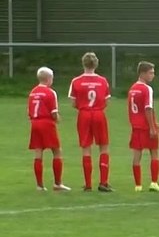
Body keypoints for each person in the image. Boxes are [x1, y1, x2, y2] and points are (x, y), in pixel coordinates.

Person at [68, 51, 112, 192]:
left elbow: (73, 102)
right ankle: (103, 182)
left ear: (83, 64)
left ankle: (88, 184)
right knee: (103, 146)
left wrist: (84, 107)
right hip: (99, 114)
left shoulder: (76, 81)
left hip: (84, 114)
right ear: (96, 64)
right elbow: (107, 101)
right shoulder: (102, 80)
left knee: (86, 148)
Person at [28, 66, 70, 192]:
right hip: (46, 123)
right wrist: (57, 119)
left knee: (38, 152)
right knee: (57, 151)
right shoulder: (50, 92)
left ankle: (39, 185)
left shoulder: (33, 92)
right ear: (49, 79)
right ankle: (58, 183)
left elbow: (28, 111)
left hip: (35, 123)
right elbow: (54, 113)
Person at [126, 62, 159, 193]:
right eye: (151, 72)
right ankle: (154, 182)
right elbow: (148, 108)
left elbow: (130, 109)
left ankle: (138, 185)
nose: (153, 75)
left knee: (137, 155)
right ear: (143, 73)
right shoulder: (147, 89)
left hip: (136, 126)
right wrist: (152, 127)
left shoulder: (132, 88)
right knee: (154, 153)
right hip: (146, 126)